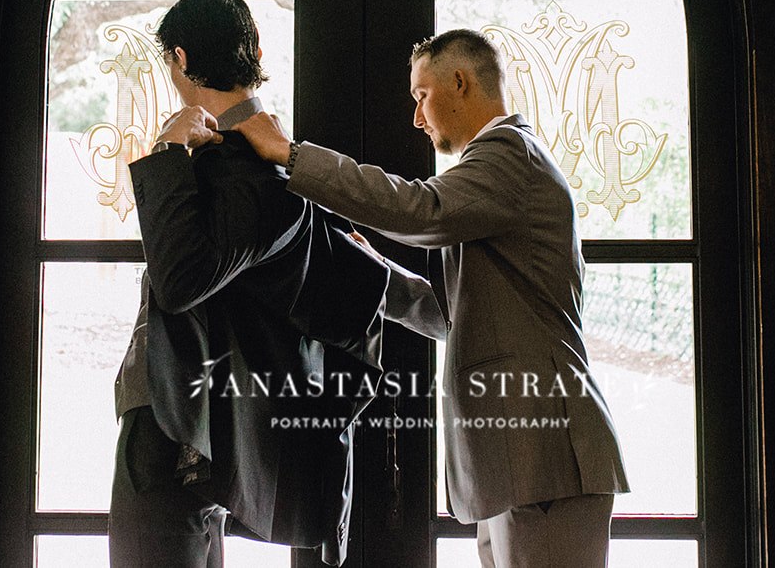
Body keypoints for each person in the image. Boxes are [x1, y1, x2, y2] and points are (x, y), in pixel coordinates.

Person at [234, 28, 629, 568]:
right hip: (520, 464)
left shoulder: (510, 155)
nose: (417, 117)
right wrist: (370, 270)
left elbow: (423, 210)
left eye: (422, 95)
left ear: (460, 82)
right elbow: (449, 315)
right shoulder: (500, 169)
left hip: (544, 457)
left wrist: (292, 155)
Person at [110, 0, 389, 567]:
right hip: (205, 434)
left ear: (181, 59)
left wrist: (166, 150)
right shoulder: (261, 164)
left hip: (178, 433)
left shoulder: (251, 171)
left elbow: (180, 279)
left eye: (170, 64)